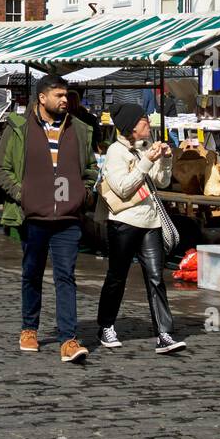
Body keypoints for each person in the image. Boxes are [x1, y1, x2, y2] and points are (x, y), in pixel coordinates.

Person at [0, 74, 95, 363]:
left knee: (66, 276)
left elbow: (90, 169)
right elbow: (1, 167)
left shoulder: (81, 130)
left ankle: (69, 340)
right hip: (33, 216)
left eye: (66, 95)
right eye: (59, 95)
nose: (65, 100)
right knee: (32, 274)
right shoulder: (19, 128)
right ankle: (29, 329)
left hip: (67, 219)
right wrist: (22, 194)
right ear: (42, 98)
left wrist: (84, 194)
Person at [96, 103, 186, 354]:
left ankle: (164, 334)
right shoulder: (116, 152)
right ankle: (106, 325)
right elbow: (123, 188)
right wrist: (146, 161)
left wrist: (166, 159)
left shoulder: (146, 148)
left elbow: (162, 181)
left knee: (156, 277)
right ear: (131, 128)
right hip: (124, 222)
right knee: (117, 276)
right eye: (144, 122)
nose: (149, 125)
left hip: (151, 222)